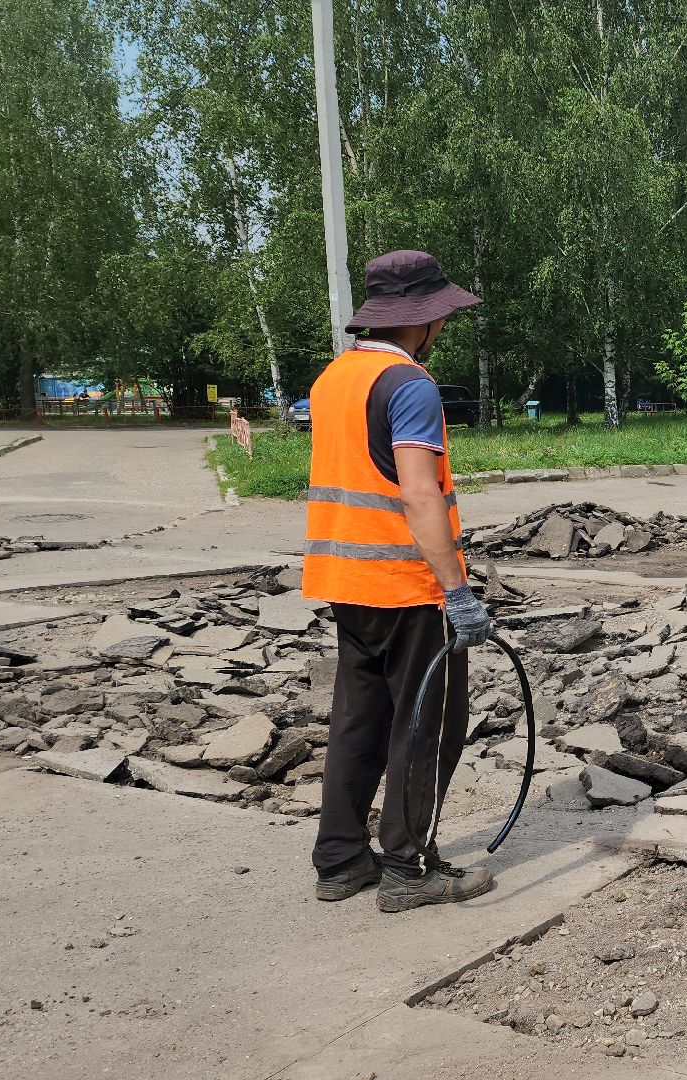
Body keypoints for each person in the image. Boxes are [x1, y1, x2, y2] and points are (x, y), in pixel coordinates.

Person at [303, 249, 496, 914]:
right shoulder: (409, 384)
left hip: (344, 579)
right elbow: (418, 494)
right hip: (407, 585)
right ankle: (408, 869)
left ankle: (341, 860)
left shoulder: (336, 378)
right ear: (424, 320)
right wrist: (457, 590)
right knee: (430, 723)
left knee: (360, 719)